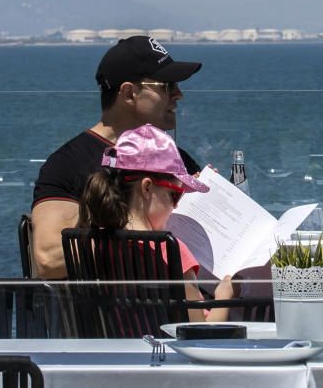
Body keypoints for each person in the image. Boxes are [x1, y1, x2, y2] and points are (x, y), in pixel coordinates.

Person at [31, 35, 204, 278]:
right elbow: (48, 258)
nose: (178, 94)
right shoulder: (68, 164)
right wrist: (132, 234)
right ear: (129, 93)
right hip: (115, 312)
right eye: (167, 86)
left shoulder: (176, 158)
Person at [78, 123, 233, 322]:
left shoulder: (97, 242)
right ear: (147, 188)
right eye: (175, 196)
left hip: (119, 350)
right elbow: (199, 332)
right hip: (168, 351)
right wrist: (225, 295)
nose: (175, 207)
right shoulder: (171, 250)